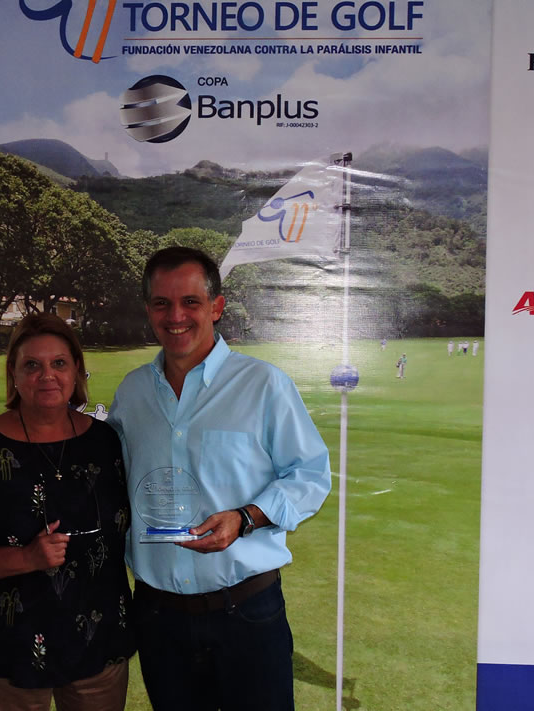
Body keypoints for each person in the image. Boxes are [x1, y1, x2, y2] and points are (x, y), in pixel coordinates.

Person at [107, 247, 331, 711]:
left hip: (247, 613)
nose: (176, 317)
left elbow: (310, 475)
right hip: (159, 618)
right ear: (148, 309)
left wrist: (246, 518)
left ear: (216, 307)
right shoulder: (132, 392)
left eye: (190, 302)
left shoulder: (264, 384)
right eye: (162, 303)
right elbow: (109, 480)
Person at [0, 314, 135, 711]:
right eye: (32, 365)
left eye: (59, 363)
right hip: (8, 648)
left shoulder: (106, 442)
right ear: (13, 372)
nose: (47, 375)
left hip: (98, 643)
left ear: (77, 369)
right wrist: (27, 558)